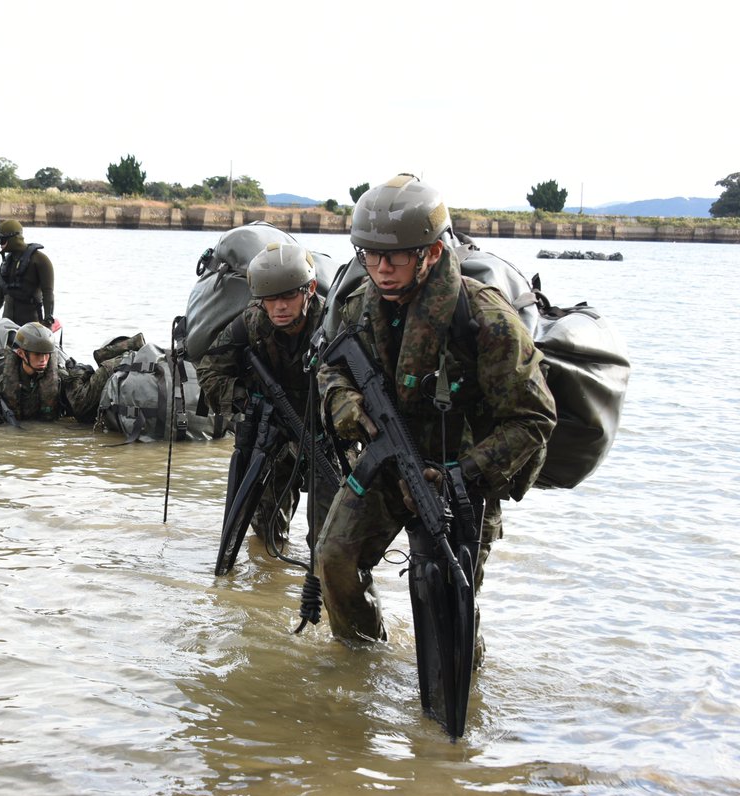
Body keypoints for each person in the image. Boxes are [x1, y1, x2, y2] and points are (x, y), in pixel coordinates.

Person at [314, 174, 556, 662]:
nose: (381, 268)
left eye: (396, 256)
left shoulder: (483, 318)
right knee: (334, 559)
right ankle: (363, 665)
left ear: (431, 252)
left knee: (452, 601)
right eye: (370, 256)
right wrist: (342, 402)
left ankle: (460, 696)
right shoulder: (360, 307)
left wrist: (461, 474)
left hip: (463, 479)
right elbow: (331, 368)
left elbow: (534, 419)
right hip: (384, 465)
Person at [196, 242, 338, 547]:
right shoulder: (252, 321)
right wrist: (249, 402)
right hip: (275, 433)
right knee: (265, 536)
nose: (280, 307)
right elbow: (209, 369)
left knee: (331, 540)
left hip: (328, 437)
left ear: (309, 289)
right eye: (270, 299)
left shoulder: (332, 323)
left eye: (288, 295)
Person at [0, 322, 142, 425]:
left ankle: (129, 350)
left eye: (46, 354)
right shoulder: (1, 384)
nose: (43, 359)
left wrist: (77, 375)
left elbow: (80, 401)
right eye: (37, 354)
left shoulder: (58, 377)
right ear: (22, 354)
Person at [0, 219, 55, 332]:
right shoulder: (7, 263)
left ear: (13, 238)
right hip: (7, 329)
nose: (0, 244)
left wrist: (47, 322)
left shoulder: (40, 260)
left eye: (2, 240)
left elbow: (48, 293)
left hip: (32, 328)